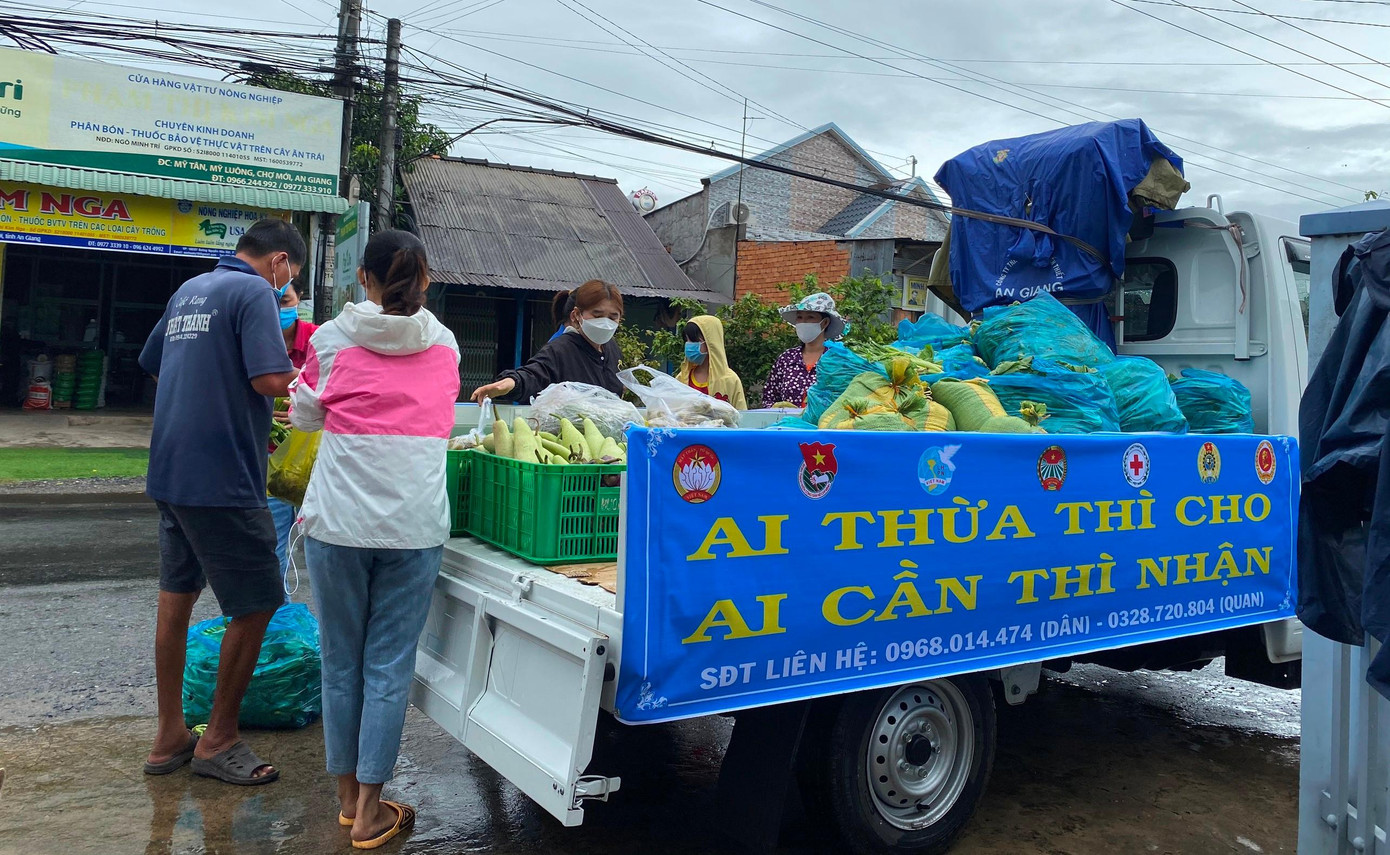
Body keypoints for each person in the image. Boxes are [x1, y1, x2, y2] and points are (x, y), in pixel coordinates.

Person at [289, 229, 460, 849]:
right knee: (388, 666)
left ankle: (344, 802)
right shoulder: (446, 344)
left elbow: (304, 413)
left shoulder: (332, 339)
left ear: (364, 278)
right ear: (426, 280)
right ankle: (369, 811)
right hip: (414, 526)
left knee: (341, 661)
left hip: (337, 523)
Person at [137, 217, 304, 786]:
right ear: (279, 261)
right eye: (291, 278)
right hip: (223, 476)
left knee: (176, 600)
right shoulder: (253, 289)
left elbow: (153, 362)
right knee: (257, 602)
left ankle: (169, 737)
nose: (286, 289)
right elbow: (267, 380)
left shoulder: (191, 289)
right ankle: (219, 740)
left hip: (170, 469)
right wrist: (312, 378)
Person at [471, 279, 624, 403]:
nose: (605, 323)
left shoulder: (612, 349)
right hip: (569, 436)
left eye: (612, 317)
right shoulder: (560, 349)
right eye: (597, 315)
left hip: (610, 437)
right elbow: (534, 374)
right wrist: (511, 383)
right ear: (576, 315)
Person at [269, 282, 319, 583]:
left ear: (299, 299)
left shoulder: (319, 340)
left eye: (285, 300)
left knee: (319, 545)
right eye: (271, 301)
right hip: (270, 460)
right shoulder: (254, 340)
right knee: (273, 547)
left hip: (314, 461)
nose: (278, 309)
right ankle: (277, 620)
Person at [762, 292, 846, 408]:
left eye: (810, 317)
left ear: (825, 323)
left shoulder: (837, 360)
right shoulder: (786, 359)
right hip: (788, 424)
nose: (803, 322)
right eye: (800, 317)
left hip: (825, 425)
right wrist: (776, 409)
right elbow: (768, 398)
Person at [676, 315, 746, 408]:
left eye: (693, 340)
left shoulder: (730, 380)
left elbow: (742, 417)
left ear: (711, 343)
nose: (688, 345)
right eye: (686, 340)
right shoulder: (682, 378)